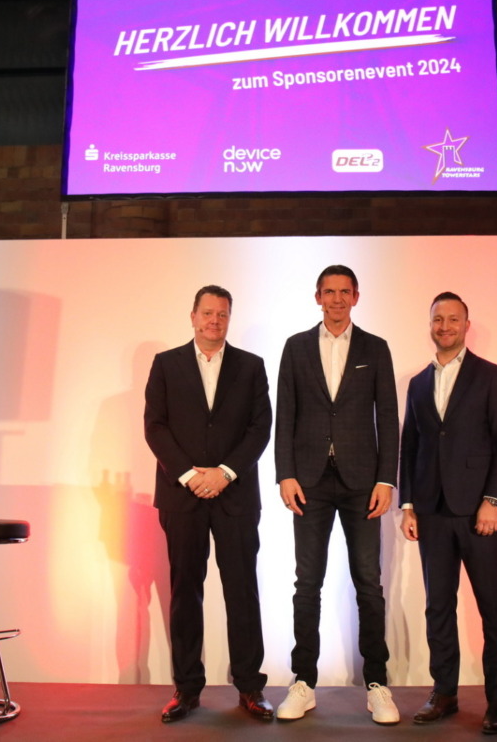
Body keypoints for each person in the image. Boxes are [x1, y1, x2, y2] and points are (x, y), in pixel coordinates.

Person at [274, 265, 401, 724]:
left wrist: (386, 479)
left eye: (345, 292)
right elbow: (285, 415)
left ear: (356, 297)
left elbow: (388, 417)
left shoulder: (375, 348)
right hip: (308, 482)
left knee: (369, 582)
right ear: (317, 297)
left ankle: (377, 683)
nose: (337, 299)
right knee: (307, 583)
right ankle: (303, 682)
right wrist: (285, 474)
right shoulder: (296, 347)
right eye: (329, 292)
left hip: (362, 483)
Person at [144, 285, 274, 723]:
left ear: (229, 318)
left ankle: (250, 687)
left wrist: (225, 473)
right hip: (182, 496)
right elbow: (155, 427)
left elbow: (260, 428)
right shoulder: (166, 364)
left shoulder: (251, 366)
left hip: (235, 495)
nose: (214, 321)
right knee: (185, 592)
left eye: (222, 314)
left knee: (242, 591)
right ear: (193, 316)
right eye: (207, 313)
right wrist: (190, 475)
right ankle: (186, 689)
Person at [399, 292, 497, 735]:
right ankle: (444, 692)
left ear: (466, 325)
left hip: (479, 512)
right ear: (430, 324)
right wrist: (408, 505)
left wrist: (494, 500)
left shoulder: (491, 376)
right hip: (431, 512)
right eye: (438, 319)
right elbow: (410, 446)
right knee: (438, 606)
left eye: (453, 319)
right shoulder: (418, 383)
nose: (445, 326)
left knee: (494, 607)